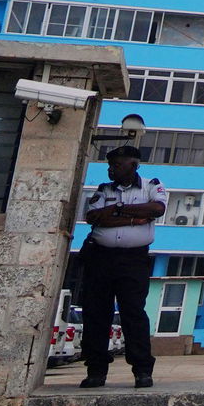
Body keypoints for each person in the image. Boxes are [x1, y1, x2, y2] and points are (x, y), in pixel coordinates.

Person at [79, 145, 166, 388]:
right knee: (96, 313)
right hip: (101, 258)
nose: (111, 169)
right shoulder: (103, 189)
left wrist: (115, 209)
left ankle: (142, 370)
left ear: (133, 165)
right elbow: (94, 217)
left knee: (133, 313)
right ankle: (96, 370)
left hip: (134, 260)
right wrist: (132, 218)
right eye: (110, 165)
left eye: (116, 165)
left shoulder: (151, 185)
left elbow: (157, 209)